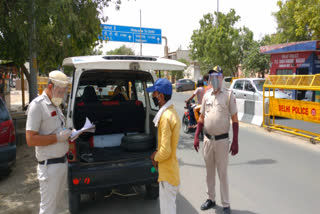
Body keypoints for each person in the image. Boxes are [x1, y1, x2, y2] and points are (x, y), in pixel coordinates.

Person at [194, 66, 239, 214]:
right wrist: (196, 136)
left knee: (222, 173)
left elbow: (235, 120)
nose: (213, 79)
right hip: (207, 140)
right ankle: (211, 199)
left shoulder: (228, 95)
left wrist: (235, 141)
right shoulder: (207, 95)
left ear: (221, 78)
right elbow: (201, 118)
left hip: (222, 141)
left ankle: (226, 204)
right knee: (209, 172)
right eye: (211, 76)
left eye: (216, 76)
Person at [26, 70, 72, 214]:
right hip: (49, 167)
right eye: (60, 92)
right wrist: (57, 138)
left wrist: (69, 134)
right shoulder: (37, 106)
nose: (61, 95)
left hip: (62, 163)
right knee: (48, 210)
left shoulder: (55, 104)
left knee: (59, 207)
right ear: (50, 87)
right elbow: (30, 139)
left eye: (64, 92)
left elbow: (56, 128)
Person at [147, 78, 181, 214]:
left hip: (167, 174)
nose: (153, 96)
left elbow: (165, 151)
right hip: (171, 170)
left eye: (154, 93)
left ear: (161, 96)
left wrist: (155, 157)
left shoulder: (166, 117)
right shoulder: (172, 112)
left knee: (167, 210)